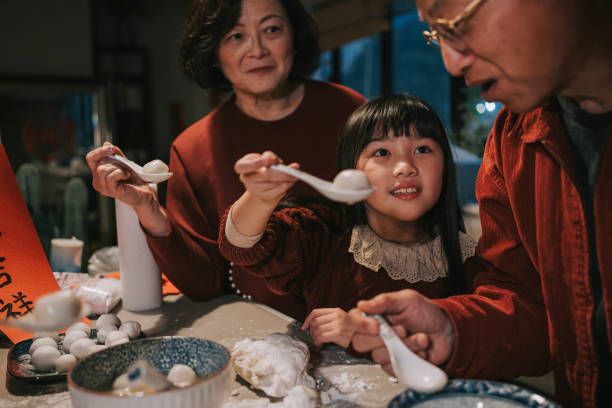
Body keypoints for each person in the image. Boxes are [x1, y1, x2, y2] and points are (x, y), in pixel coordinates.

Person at [348, 0, 612, 406]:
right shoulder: (512, 137)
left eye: (457, 23)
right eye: (437, 35)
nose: (452, 64)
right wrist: (454, 329)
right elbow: (532, 307)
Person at [86, 0, 365, 321]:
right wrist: (147, 208)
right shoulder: (192, 148)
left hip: (359, 323)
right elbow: (204, 284)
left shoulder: (349, 112)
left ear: (294, 36)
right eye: (235, 36)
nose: (257, 49)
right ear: (213, 52)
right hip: (257, 337)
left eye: (271, 29)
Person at [218, 94, 476, 348]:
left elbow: (477, 343)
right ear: (353, 170)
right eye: (382, 151)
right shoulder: (323, 235)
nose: (405, 167)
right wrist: (259, 197)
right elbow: (242, 246)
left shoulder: (474, 260)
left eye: (422, 149)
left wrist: (362, 332)